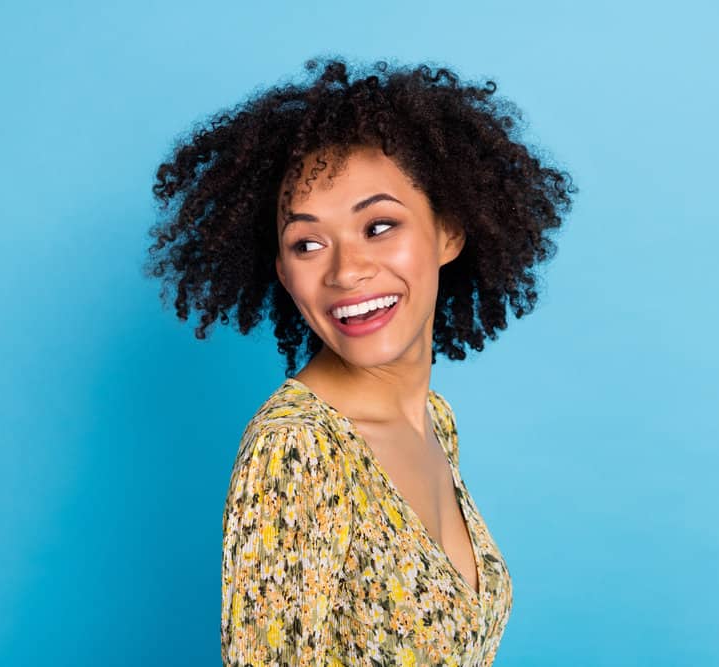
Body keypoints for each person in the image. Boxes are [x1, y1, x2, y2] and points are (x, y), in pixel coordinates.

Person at [145, 57, 576, 666]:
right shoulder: (297, 449)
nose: (346, 271)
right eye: (308, 243)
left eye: (379, 226)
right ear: (282, 273)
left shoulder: (433, 420)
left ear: (449, 231)